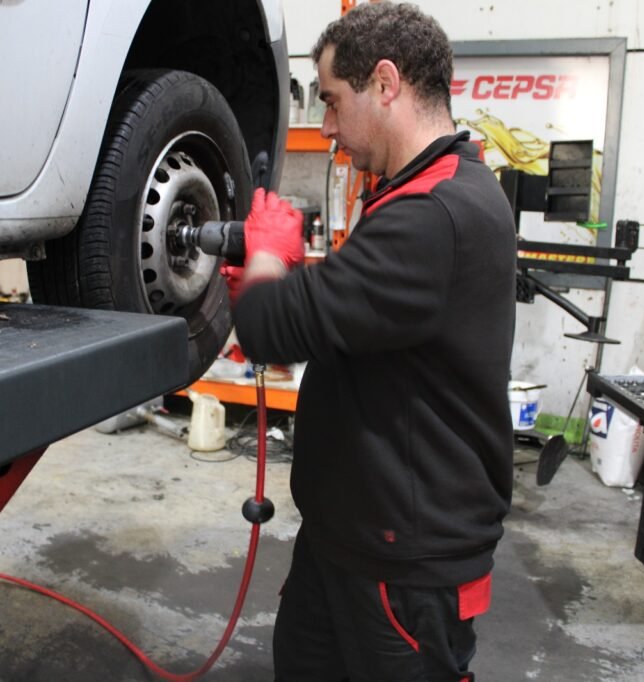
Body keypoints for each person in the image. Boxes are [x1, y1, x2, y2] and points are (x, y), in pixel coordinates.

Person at [225, 3, 516, 680]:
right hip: (349, 540)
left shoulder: (434, 214)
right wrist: (292, 278)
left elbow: (267, 328)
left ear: (385, 83)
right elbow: (364, 315)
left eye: (332, 102)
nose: (326, 129)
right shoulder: (427, 188)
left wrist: (269, 255)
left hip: (405, 569)